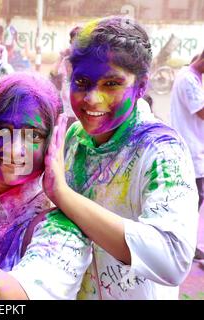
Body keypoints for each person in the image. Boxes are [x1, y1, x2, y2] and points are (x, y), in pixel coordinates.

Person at [43, 16, 198, 299]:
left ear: (141, 86)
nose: (92, 98)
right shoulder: (74, 136)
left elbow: (173, 259)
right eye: (82, 81)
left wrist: (63, 195)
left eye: (111, 84)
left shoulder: (162, 150)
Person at [0, 72, 92, 299]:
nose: (14, 150)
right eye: (1, 131)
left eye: (34, 136)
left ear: (53, 141)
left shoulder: (62, 228)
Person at [170, 50, 204, 261]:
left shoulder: (191, 77)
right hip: (192, 152)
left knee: (193, 202)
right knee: (191, 203)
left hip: (194, 150)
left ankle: (184, 246)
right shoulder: (189, 80)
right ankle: (184, 247)